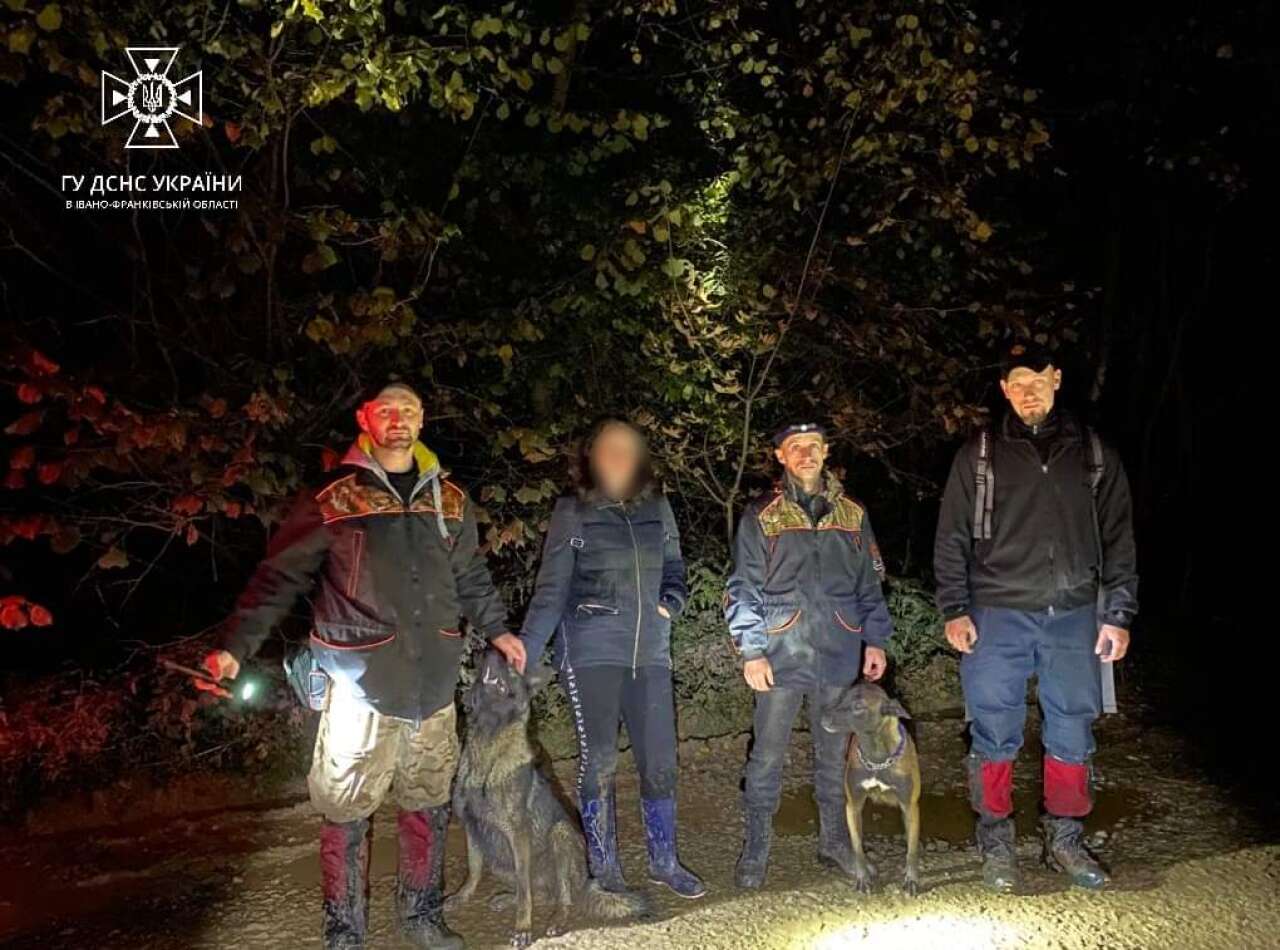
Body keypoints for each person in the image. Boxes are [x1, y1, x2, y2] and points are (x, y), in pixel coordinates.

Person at [201, 382, 524, 950]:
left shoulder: (449, 499)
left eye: (409, 410)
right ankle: (344, 931)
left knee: (427, 800)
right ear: (365, 419)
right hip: (359, 685)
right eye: (386, 411)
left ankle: (420, 917)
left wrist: (498, 629)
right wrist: (235, 646)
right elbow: (279, 576)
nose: (398, 419)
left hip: (433, 684)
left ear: (422, 421)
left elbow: (470, 575)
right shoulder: (334, 496)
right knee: (345, 809)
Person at [933, 342, 1138, 892]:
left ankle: (1064, 838)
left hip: (1073, 614)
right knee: (993, 729)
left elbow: (1119, 540)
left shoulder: (1093, 452)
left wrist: (1117, 614)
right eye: (1017, 383)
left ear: (1057, 380)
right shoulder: (978, 455)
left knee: (1072, 725)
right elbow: (951, 537)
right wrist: (955, 608)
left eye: (1037, 380)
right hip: (995, 612)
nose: (1028, 392)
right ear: (1005, 390)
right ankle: (996, 840)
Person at [495, 417, 706, 899]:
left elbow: (674, 567)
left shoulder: (658, 507)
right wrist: (524, 653)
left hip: (650, 651)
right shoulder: (573, 511)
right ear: (589, 455)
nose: (618, 457)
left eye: (627, 448)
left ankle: (664, 860)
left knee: (660, 760)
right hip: (591, 651)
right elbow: (551, 589)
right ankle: (604, 868)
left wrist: (671, 602)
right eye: (608, 448)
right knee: (601, 762)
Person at [724, 422, 894, 889]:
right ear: (781, 456)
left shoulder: (852, 513)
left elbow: (869, 582)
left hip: (839, 649)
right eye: (794, 447)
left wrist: (875, 639)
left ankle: (834, 840)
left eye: (812, 446)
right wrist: (752, 650)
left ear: (825, 452)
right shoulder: (763, 514)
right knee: (767, 755)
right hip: (780, 654)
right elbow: (742, 587)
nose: (805, 454)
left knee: (834, 754)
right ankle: (757, 846)